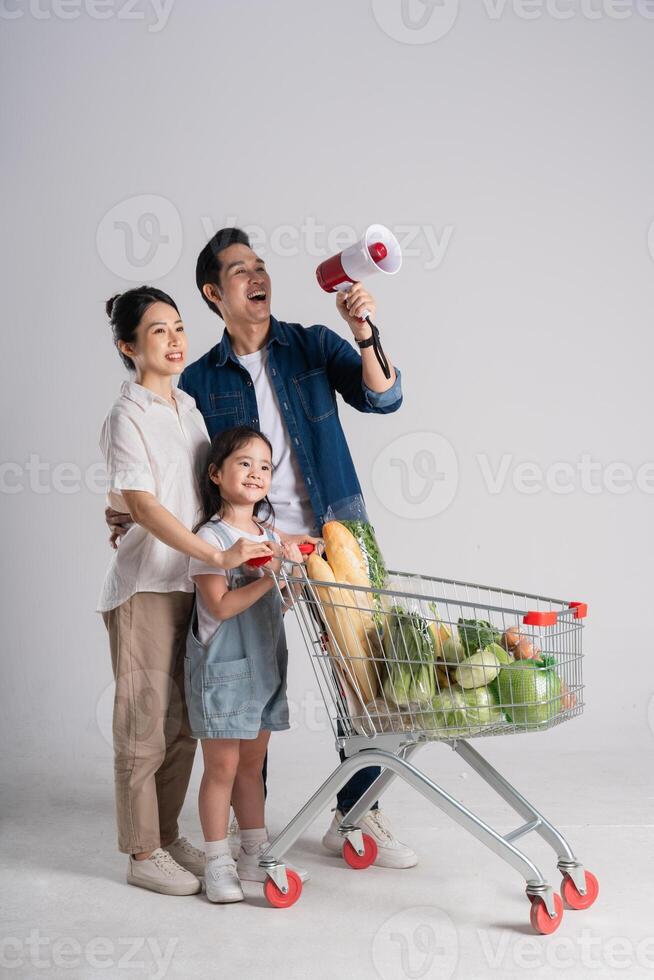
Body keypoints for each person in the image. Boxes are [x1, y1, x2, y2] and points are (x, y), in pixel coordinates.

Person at [107, 228, 417, 868]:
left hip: (333, 537)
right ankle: (254, 833)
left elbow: (384, 396)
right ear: (213, 293)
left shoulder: (310, 344)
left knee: (361, 682)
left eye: (261, 265)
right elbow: (188, 467)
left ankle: (357, 813)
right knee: (249, 680)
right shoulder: (196, 383)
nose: (258, 276)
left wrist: (364, 330)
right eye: (239, 270)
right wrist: (125, 506)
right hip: (252, 550)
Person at [98, 286, 275, 896]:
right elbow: (146, 504)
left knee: (183, 725)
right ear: (128, 346)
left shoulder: (191, 410)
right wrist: (216, 555)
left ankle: (169, 836)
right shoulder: (127, 416)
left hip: (194, 589)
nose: (175, 340)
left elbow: (201, 487)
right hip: (147, 587)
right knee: (144, 723)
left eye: (178, 327)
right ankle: (142, 850)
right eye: (157, 331)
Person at [185, 425, 308, 903]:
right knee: (222, 767)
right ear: (216, 473)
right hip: (223, 671)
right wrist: (269, 575)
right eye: (244, 463)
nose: (256, 473)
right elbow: (219, 606)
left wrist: (295, 576)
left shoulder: (269, 535)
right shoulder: (210, 537)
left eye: (264, 466)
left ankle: (254, 852)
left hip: (263, 666)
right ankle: (217, 859)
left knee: (252, 767)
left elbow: (280, 603)